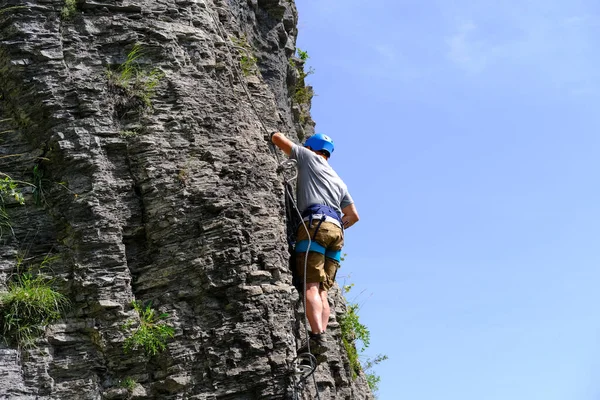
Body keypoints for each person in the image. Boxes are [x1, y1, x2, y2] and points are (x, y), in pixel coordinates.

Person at [270, 131, 359, 354]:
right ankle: (323, 333)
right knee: (322, 291)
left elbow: (279, 140)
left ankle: (317, 337)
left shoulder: (309, 157)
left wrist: (273, 133)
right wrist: (334, 225)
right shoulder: (339, 180)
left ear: (311, 148)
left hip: (315, 226)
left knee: (310, 284)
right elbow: (353, 215)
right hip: (337, 232)